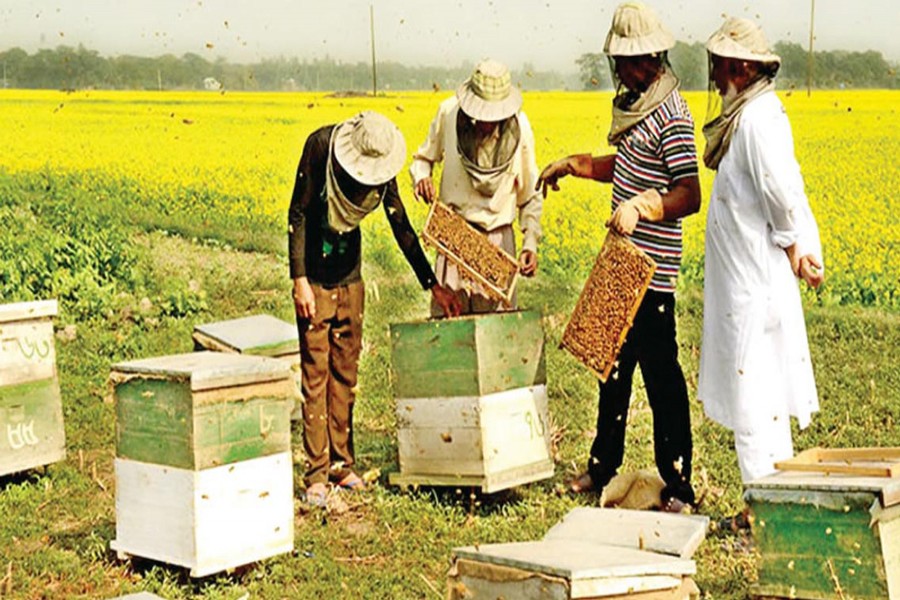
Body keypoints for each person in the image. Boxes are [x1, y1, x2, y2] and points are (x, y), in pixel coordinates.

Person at [536, 1, 700, 513]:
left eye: (630, 62)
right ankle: (601, 466)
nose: (624, 71)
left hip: (651, 273)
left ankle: (677, 484)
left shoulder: (672, 113)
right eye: (620, 62)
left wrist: (645, 206)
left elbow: (689, 192)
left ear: (651, 59)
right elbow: (625, 164)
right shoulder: (635, 107)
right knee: (611, 371)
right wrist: (576, 165)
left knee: (661, 380)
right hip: (619, 264)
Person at [288, 111, 460, 507]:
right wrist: (299, 280)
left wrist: (432, 284)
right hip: (314, 276)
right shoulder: (319, 147)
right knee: (316, 375)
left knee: (345, 375)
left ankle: (341, 464)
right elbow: (297, 212)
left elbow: (400, 224)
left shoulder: (381, 168)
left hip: (351, 278)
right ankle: (315, 473)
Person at [699, 18, 824, 527]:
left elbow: (779, 189)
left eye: (721, 65)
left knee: (753, 399)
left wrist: (796, 247)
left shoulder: (754, 120)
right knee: (764, 392)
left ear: (742, 67)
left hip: (752, 286)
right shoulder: (756, 114)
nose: (714, 75)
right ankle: (776, 501)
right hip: (749, 281)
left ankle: (762, 514)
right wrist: (799, 245)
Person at [410, 58, 543, 315]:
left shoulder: (521, 128)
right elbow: (423, 159)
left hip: (498, 244)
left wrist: (530, 244)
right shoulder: (448, 113)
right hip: (453, 239)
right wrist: (422, 177)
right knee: (449, 335)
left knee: (497, 339)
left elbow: (530, 196)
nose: (486, 122)